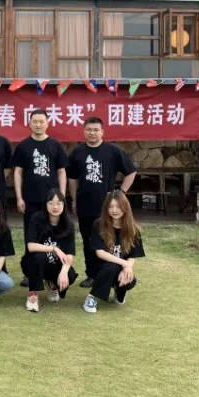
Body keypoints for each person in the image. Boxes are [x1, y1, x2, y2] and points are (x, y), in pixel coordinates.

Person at [67, 117, 137, 289]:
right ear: (84, 131)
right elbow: (72, 178)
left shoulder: (112, 151)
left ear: (102, 132)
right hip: (85, 205)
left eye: (96, 130)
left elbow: (131, 171)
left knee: (108, 241)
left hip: (108, 207)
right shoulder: (78, 152)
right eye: (89, 130)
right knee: (88, 241)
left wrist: (121, 193)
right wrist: (74, 199)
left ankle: (109, 274)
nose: (92, 133)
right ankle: (91, 275)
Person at [13, 109, 68, 286]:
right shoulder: (23, 146)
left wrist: (62, 196)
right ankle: (30, 272)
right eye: (35, 121)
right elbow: (18, 172)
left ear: (47, 123)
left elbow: (61, 172)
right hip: (30, 199)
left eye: (41, 121)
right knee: (31, 236)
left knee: (53, 234)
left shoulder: (55, 145)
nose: (38, 124)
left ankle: (53, 271)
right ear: (29, 123)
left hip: (52, 202)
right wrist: (19, 197)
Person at [84, 190, 145, 314]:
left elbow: (132, 255)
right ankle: (91, 297)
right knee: (111, 267)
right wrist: (124, 263)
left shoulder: (133, 229)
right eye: (111, 206)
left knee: (130, 279)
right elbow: (100, 253)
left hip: (118, 266)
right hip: (99, 267)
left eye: (118, 206)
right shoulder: (98, 224)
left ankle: (119, 293)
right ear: (106, 208)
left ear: (125, 207)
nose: (115, 210)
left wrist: (127, 267)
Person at [22, 189, 78, 313]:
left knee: (70, 275)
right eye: (51, 203)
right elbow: (31, 246)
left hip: (54, 264)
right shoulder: (36, 218)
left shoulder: (69, 225)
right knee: (39, 257)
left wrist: (63, 272)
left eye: (59, 203)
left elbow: (69, 253)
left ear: (64, 204)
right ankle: (32, 295)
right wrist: (54, 249)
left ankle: (52, 284)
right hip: (33, 263)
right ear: (45, 204)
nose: (55, 207)